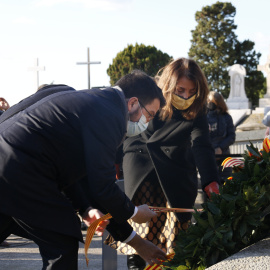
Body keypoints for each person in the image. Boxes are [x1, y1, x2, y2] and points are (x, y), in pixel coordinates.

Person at [0, 70, 167, 269]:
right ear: (132, 103)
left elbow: (77, 176)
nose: (147, 123)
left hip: (11, 167)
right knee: (62, 242)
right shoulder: (111, 114)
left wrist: (86, 208)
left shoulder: (87, 102)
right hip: (19, 170)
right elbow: (102, 186)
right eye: (150, 115)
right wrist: (133, 212)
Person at [106, 58, 221, 270]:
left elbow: (201, 145)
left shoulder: (197, 108)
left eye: (191, 91)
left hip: (177, 171)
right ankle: (137, 264)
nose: (186, 96)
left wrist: (210, 181)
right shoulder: (152, 97)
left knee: (177, 239)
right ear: (168, 85)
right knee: (143, 232)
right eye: (180, 90)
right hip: (142, 164)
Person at [207, 91, 236, 183]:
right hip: (209, 156)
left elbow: (231, 136)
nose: (211, 104)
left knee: (226, 185)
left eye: (213, 102)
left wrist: (220, 148)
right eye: (209, 101)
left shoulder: (227, 117)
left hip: (224, 156)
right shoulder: (203, 117)